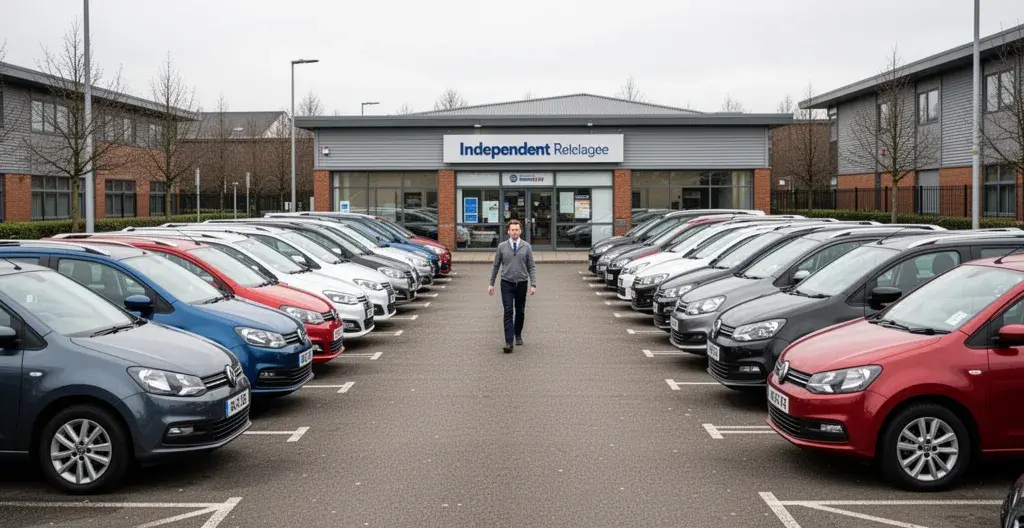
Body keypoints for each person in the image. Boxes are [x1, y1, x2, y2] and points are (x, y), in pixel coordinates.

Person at [488, 219, 537, 353]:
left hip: (521, 283)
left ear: (520, 231)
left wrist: (533, 283)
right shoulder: (502, 247)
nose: (515, 232)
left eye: (517, 229)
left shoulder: (526, 246)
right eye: (512, 230)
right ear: (508, 232)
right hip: (506, 283)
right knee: (508, 310)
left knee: (520, 310)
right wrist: (491, 283)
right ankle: (509, 342)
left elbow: (531, 266)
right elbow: (496, 266)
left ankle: (518, 333)